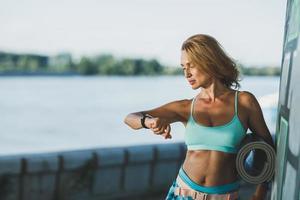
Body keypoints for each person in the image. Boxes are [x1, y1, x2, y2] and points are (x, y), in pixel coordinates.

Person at [123, 34, 275, 200]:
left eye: (191, 65)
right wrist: (149, 121)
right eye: (183, 68)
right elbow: (130, 118)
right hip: (182, 193)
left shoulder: (245, 102)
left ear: (209, 61)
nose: (186, 73)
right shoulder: (186, 107)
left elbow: (267, 148)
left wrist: (260, 192)